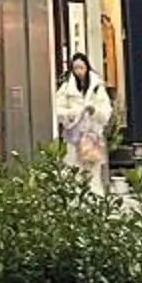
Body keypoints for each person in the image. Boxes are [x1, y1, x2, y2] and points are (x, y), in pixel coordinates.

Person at [54, 51, 113, 190]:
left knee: (92, 170)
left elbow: (106, 110)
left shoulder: (97, 87)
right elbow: (58, 109)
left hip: (92, 136)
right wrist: (73, 114)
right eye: (76, 68)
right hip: (74, 136)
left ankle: (94, 199)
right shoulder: (67, 88)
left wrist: (94, 111)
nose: (79, 71)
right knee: (74, 169)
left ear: (87, 67)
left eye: (82, 67)